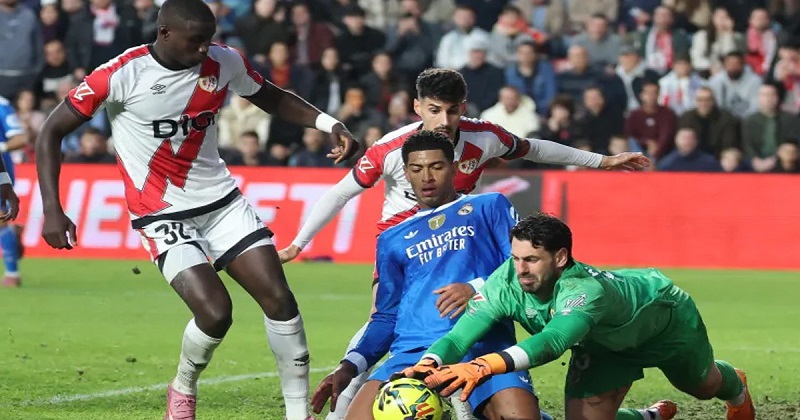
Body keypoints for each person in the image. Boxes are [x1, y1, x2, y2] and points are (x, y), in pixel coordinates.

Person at [33, 0, 358, 419]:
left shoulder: (224, 61)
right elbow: (51, 131)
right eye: (196, 40)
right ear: (164, 33)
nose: (205, 48)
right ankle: (183, 386)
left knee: (279, 299)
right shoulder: (120, 74)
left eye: (209, 39)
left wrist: (330, 124)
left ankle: (298, 414)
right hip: (161, 213)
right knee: (216, 313)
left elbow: (271, 97)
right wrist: (52, 208)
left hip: (222, 203)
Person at [279, 68, 650, 419]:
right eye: (434, 110)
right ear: (417, 108)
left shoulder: (486, 179)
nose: (443, 120)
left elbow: (534, 150)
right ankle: (347, 401)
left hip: (475, 300)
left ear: (455, 165)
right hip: (405, 256)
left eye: (451, 111)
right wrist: (299, 243)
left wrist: (601, 161)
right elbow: (341, 194)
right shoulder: (390, 156)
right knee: (384, 319)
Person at [402, 213, 756, 420]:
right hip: (601, 346)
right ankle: (646, 416)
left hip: (663, 324)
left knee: (702, 387)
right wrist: (429, 362)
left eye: (531, 260)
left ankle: (736, 386)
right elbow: (461, 335)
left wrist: (482, 366)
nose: (520, 270)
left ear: (560, 258)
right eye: (516, 258)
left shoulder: (584, 289)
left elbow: (553, 341)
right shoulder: (505, 281)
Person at [311, 130, 551, 420]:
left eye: (436, 167)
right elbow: (386, 316)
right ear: (406, 173)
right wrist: (349, 366)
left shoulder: (489, 206)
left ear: (454, 167)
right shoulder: (392, 238)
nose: (426, 177)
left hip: (482, 345)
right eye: (417, 169)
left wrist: (477, 288)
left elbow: (522, 267)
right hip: (412, 352)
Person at [0, 94, 26, 287]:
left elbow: (20, 139)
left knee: (0, 219)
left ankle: (12, 274)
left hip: (1, 168)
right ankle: (12, 233)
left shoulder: (2, 105)